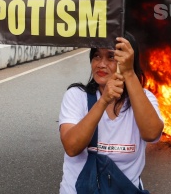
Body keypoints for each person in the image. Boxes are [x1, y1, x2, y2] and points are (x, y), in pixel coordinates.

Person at [58, 32, 164, 193]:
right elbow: (72, 147)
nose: (101, 64)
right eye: (96, 56)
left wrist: (128, 73)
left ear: (127, 61)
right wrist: (103, 101)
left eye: (111, 57)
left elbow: (152, 134)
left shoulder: (144, 98)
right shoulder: (76, 95)